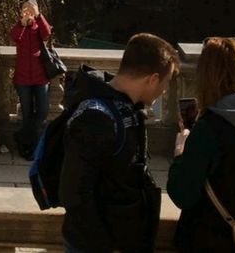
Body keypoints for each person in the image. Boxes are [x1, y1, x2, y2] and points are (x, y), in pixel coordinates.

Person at [60, 33, 179, 253]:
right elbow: (74, 192)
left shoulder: (125, 108)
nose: (164, 90)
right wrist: (105, 246)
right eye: (166, 81)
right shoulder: (97, 118)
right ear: (152, 79)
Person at [167, 37, 235, 252]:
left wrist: (181, 151)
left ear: (207, 78)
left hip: (215, 240)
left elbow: (182, 194)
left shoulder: (210, 129)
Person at [10, 0, 52, 159]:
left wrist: (39, 15)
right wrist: (22, 23)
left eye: (30, 10)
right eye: (24, 10)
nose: (28, 12)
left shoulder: (38, 26)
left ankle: (22, 137)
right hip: (22, 79)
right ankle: (30, 148)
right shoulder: (19, 27)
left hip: (40, 76)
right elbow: (14, 37)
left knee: (42, 111)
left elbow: (47, 33)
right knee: (27, 114)